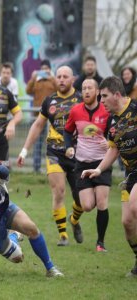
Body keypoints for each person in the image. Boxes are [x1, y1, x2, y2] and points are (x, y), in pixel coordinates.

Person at [0, 156, 64, 277]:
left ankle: (50, 268)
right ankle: (13, 236)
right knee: (18, 258)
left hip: (4, 209)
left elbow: (5, 172)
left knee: (32, 229)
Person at [17, 66, 84, 246]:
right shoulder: (50, 101)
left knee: (82, 200)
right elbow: (38, 125)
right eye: (59, 76)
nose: (61, 79)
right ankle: (63, 235)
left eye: (65, 77)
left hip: (78, 153)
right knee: (59, 191)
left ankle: (74, 220)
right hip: (55, 151)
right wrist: (24, 150)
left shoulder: (81, 99)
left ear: (72, 79)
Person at [82, 76, 137, 277]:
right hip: (130, 174)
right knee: (127, 223)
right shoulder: (113, 120)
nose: (101, 100)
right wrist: (98, 169)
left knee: (135, 205)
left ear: (117, 94)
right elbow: (113, 149)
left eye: (104, 96)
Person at [64, 79, 112, 252]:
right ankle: (74, 219)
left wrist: (109, 143)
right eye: (83, 88)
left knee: (101, 201)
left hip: (102, 162)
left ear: (97, 91)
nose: (86, 91)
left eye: (89, 88)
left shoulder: (107, 111)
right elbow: (67, 131)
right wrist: (69, 146)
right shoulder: (76, 111)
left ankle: (100, 243)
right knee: (87, 206)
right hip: (82, 163)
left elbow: (114, 134)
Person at [26, 59, 57, 173]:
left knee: (53, 143)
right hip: (38, 117)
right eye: (42, 69)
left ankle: (53, 167)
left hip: (52, 117)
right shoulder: (36, 80)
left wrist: (52, 77)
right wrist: (33, 78)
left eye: (46, 69)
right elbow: (28, 90)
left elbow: (59, 90)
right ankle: (36, 168)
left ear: (50, 69)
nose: (44, 71)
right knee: (37, 143)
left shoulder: (53, 80)